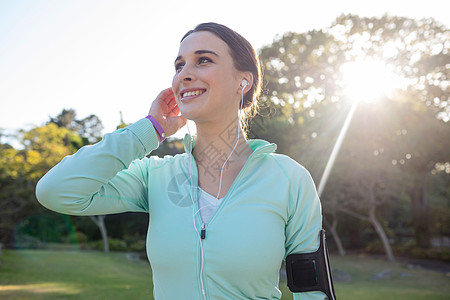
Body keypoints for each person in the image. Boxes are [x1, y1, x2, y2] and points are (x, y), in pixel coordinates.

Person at [36, 22, 332, 300]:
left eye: (203, 60)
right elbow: (57, 191)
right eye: (179, 65)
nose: (184, 74)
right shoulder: (155, 176)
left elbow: (312, 288)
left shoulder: (288, 178)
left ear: (243, 80)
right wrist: (149, 130)